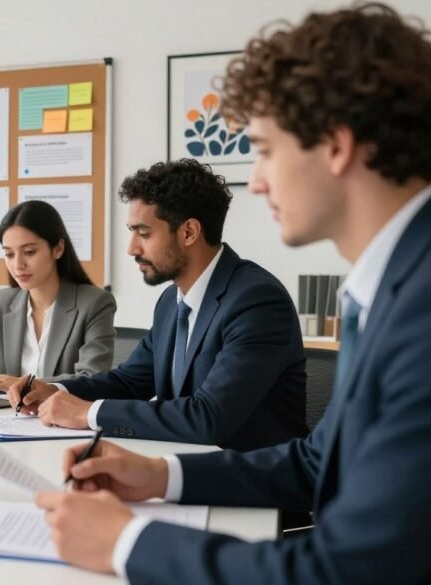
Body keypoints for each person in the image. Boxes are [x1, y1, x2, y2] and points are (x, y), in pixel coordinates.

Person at [34, 4, 431, 583]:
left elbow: (351, 569)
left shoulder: (418, 309)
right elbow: (318, 461)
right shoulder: (385, 288)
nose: (258, 180)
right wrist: (162, 476)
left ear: (337, 146)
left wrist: (128, 544)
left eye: (266, 149)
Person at [9, 159, 305, 450]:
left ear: (189, 232)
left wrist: (87, 413)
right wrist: (55, 390)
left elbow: (209, 418)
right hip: (184, 467)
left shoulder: (256, 301)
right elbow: (129, 382)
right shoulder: (171, 301)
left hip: (252, 485)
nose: (131, 248)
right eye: (132, 232)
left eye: (144, 233)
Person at [0, 200, 116, 397]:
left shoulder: (95, 303)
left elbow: (92, 377)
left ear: (58, 249)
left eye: (29, 252)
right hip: (8, 419)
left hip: (64, 421)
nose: (18, 265)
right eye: (9, 254)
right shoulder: (2, 303)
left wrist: (24, 384)